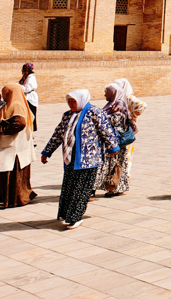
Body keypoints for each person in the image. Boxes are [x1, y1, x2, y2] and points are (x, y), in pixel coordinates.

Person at [41, 90, 119, 229]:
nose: (71, 104)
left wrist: (112, 148)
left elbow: (106, 131)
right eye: (69, 101)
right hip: (71, 159)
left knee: (81, 189)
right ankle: (67, 215)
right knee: (69, 188)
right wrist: (47, 152)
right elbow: (58, 134)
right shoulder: (67, 115)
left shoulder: (94, 112)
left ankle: (75, 217)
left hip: (88, 159)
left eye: (73, 101)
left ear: (81, 100)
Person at [94, 83, 134, 196]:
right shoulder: (112, 104)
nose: (104, 95)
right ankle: (114, 187)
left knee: (117, 164)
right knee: (114, 164)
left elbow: (116, 120)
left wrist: (100, 117)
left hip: (117, 142)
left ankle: (116, 188)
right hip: (111, 141)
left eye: (106, 92)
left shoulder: (119, 105)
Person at [0, 83, 36, 208]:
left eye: (5, 93)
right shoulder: (17, 103)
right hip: (18, 147)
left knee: (11, 173)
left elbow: (19, 123)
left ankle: (14, 199)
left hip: (13, 148)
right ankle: (20, 197)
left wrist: (2, 129)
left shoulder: (16, 105)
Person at [110, 78, 146, 180]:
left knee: (126, 155)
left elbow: (142, 105)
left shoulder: (127, 97)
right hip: (118, 130)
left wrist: (132, 116)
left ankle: (124, 176)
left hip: (126, 131)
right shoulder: (117, 97)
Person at [19, 63, 37, 131]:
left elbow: (27, 89)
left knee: (31, 116)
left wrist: (19, 87)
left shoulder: (31, 78)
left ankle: (31, 132)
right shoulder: (26, 78)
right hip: (26, 98)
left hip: (30, 99)